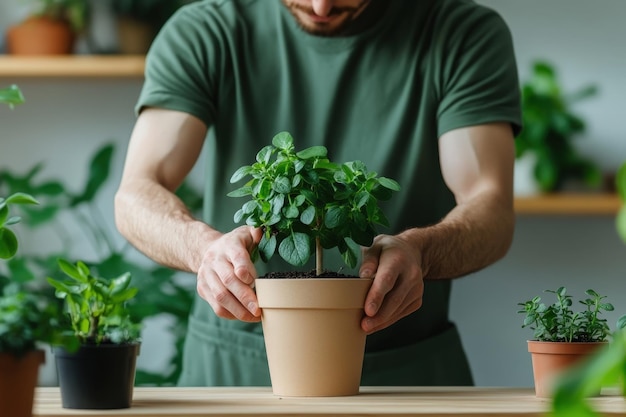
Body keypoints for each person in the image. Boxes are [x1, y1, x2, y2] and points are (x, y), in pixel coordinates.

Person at [114, 0, 522, 386]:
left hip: (401, 374)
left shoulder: (460, 33)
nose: (321, 6)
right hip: (234, 371)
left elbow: (490, 206)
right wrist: (202, 248)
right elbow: (137, 192)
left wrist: (422, 251)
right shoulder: (208, 31)